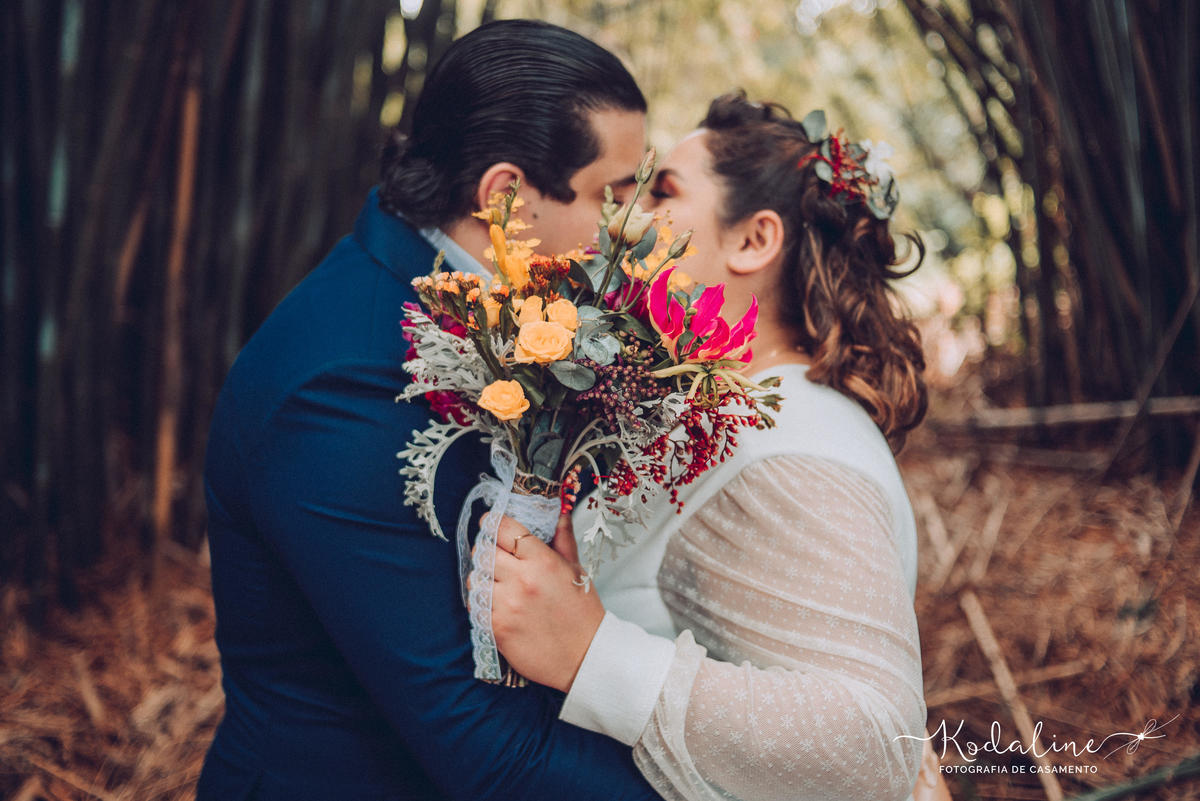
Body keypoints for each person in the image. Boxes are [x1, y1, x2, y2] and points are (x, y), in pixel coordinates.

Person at [198, 20, 660, 801]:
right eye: (611, 195)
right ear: (504, 198)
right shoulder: (343, 385)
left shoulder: (484, 300)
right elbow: (483, 750)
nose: (636, 227)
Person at [489, 91, 944, 801]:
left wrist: (591, 653)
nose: (623, 220)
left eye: (661, 192)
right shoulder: (751, 411)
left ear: (753, 240)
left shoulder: (793, 445)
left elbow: (875, 742)